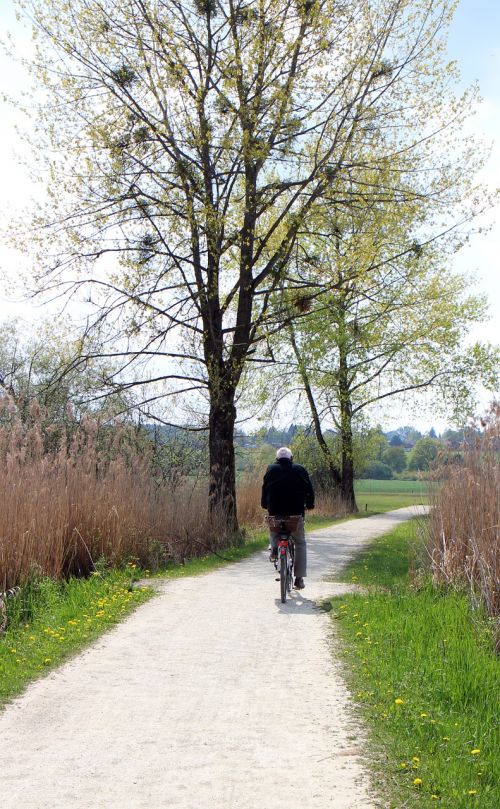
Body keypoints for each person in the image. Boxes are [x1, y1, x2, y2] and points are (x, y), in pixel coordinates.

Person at [261, 446, 315, 590]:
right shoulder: (300, 469)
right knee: (300, 543)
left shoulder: (271, 469)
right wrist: (310, 504)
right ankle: (299, 578)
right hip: (295, 515)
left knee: (273, 529)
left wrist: (264, 504)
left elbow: (265, 489)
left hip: (275, 514)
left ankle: (274, 549)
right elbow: (309, 489)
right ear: (291, 458)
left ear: (277, 459)